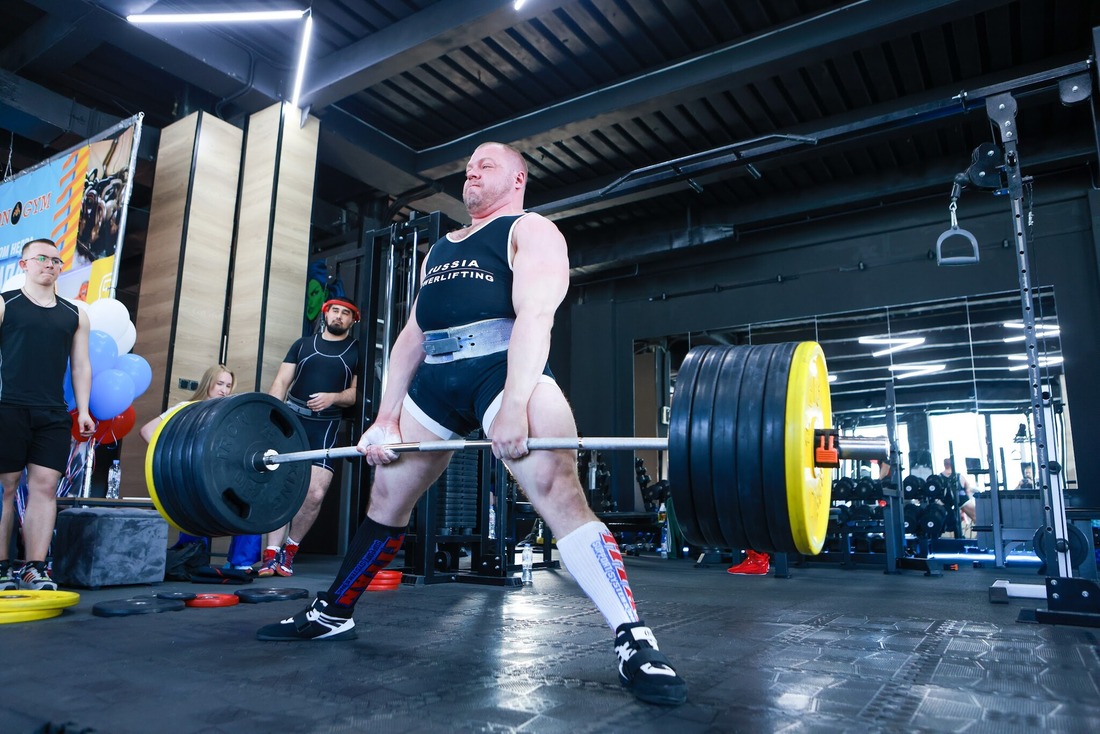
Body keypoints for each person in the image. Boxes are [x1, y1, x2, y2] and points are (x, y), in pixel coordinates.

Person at [256, 142, 687, 707]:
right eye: (468, 167)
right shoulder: (440, 248)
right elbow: (413, 335)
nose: (472, 171)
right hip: (437, 378)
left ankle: (634, 640)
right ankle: (333, 612)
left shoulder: (531, 230)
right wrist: (385, 418)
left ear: (519, 177)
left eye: (486, 164)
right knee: (385, 495)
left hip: (501, 367)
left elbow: (536, 314)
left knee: (557, 488)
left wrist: (513, 402)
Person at [0, 239, 94, 591]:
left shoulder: (74, 314)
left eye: (56, 260)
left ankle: (34, 567)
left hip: (53, 412)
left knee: (45, 488)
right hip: (8, 407)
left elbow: (81, 364)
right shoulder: (5, 304)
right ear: (24, 264)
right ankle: (1, 567)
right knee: (5, 488)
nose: (50, 264)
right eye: (41, 258)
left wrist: (83, 410)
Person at [256, 297, 360, 577]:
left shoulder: (356, 351)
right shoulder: (301, 345)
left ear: (353, 320)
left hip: (325, 426)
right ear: (326, 314)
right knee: (279, 488)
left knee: (314, 494)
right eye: (335, 311)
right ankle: (270, 556)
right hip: (291, 420)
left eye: (345, 313)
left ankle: (289, 551)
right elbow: (280, 383)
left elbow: (354, 395)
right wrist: (272, 420)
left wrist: (333, 397)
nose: (339, 316)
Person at [138, 364, 259, 569]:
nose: (224, 390)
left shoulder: (231, 414)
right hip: (196, 478)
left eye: (228, 385)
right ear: (208, 383)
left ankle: (241, 563)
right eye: (219, 383)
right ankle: (193, 558)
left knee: (249, 504)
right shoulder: (185, 409)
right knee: (194, 507)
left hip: (223, 476)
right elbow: (147, 431)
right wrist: (174, 456)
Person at [942, 458, 975, 526]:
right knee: (976, 517)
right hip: (960, 499)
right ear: (953, 465)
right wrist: (970, 500)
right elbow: (968, 489)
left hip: (946, 500)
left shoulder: (939, 477)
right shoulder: (960, 477)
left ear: (944, 465)